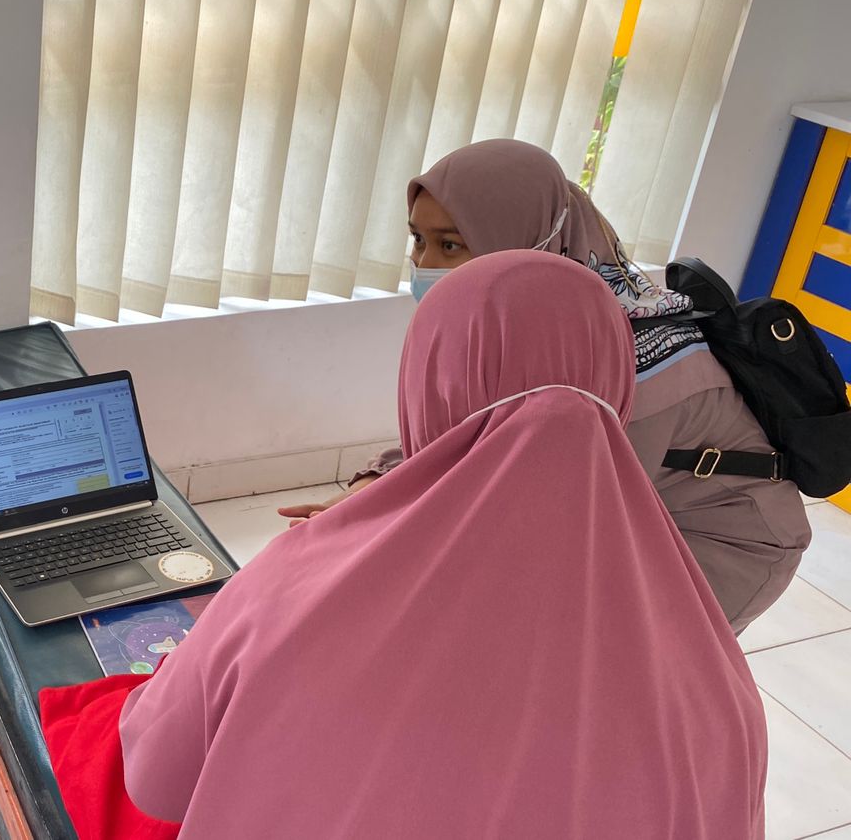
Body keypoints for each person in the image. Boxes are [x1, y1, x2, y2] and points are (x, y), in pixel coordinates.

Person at [105, 252, 767, 838]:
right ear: (616, 380)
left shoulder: (288, 591)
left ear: (431, 384)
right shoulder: (711, 678)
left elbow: (155, 779)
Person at [279, 139, 811, 633]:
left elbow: (535, 507)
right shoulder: (529, 319)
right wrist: (368, 494)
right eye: (418, 239)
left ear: (531, 241)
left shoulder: (635, 373)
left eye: (452, 244)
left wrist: (379, 529)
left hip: (719, 542)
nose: (425, 264)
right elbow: (467, 435)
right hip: (630, 518)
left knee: (614, 676)